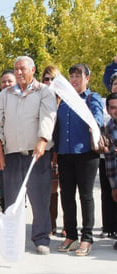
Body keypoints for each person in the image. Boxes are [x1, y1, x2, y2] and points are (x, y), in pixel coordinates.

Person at [0, 56, 57, 255]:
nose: (19, 72)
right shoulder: (6, 94)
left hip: (36, 154)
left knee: (39, 199)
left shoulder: (44, 92)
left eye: (23, 69)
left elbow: (48, 117)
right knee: (12, 200)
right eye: (16, 69)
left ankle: (41, 238)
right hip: (11, 154)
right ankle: (13, 238)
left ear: (33, 70)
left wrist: (43, 140)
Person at [55, 64, 103, 256]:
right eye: (71, 76)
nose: (74, 79)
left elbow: (98, 118)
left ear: (87, 79)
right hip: (65, 154)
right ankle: (71, 235)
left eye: (78, 76)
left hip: (85, 154)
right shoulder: (64, 100)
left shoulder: (92, 98)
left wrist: (94, 124)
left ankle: (87, 237)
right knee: (66, 195)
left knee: (86, 195)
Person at [41, 65, 65, 237]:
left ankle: (68, 225)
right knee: (51, 190)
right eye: (46, 79)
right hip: (48, 149)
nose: (49, 82)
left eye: (52, 79)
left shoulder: (66, 101)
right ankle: (51, 223)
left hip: (65, 150)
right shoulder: (40, 98)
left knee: (67, 190)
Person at [0, 69, 17, 212]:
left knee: (16, 187)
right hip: (0, 149)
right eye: (3, 82)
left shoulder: (23, 98)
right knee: (3, 185)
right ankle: (5, 213)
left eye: (10, 81)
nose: (6, 84)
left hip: (17, 150)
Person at [99, 73, 117, 240]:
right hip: (108, 160)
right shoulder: (106, 106)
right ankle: (108, 227)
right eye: (115, 84)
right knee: (108, 193)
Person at [104, 92, 117, 251]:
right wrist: (114, 186)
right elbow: (109, 160)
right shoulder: (107, 128)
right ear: (107, 110)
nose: (116, 110)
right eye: (113, 108)